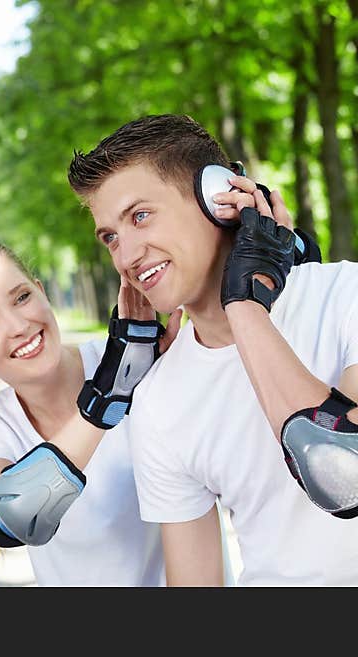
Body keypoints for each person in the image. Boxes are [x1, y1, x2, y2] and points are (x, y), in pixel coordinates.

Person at [67, 114, 358, 585]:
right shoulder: (160, 399)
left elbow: (345, 472)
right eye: (111, 237)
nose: (126, 256)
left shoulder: (348, 295)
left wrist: (243, 305)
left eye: (140, 216)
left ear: (218, 197)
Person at [0, 237, 195, 586]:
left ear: (42, 291)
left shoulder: (138, 357)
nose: (18, 325)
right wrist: (109, 396)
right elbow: (13, 513)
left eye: (22, 298)